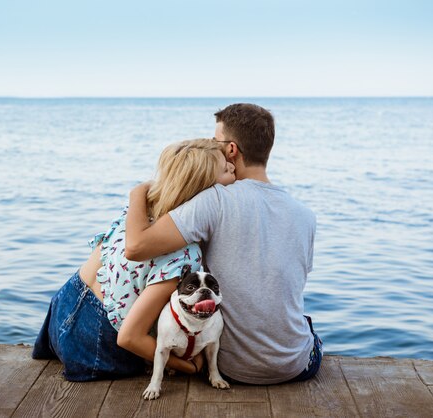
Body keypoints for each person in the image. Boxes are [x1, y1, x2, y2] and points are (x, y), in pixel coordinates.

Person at [124, 103, 322, 384]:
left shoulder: (214, 199)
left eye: (215, 142)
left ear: (231, 149)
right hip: (296, 365)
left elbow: (136, 246)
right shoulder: (306, 216)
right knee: (306, 326)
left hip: (231, 369)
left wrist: (137, 194)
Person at [32, 138, 236, 381]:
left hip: (61, 310)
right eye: (226, 168)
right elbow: (129, 337)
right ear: (204, 190)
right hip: (93, 343)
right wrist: (188, 367)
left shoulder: (142, 212)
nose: (233, 167)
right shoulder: (183, 256)